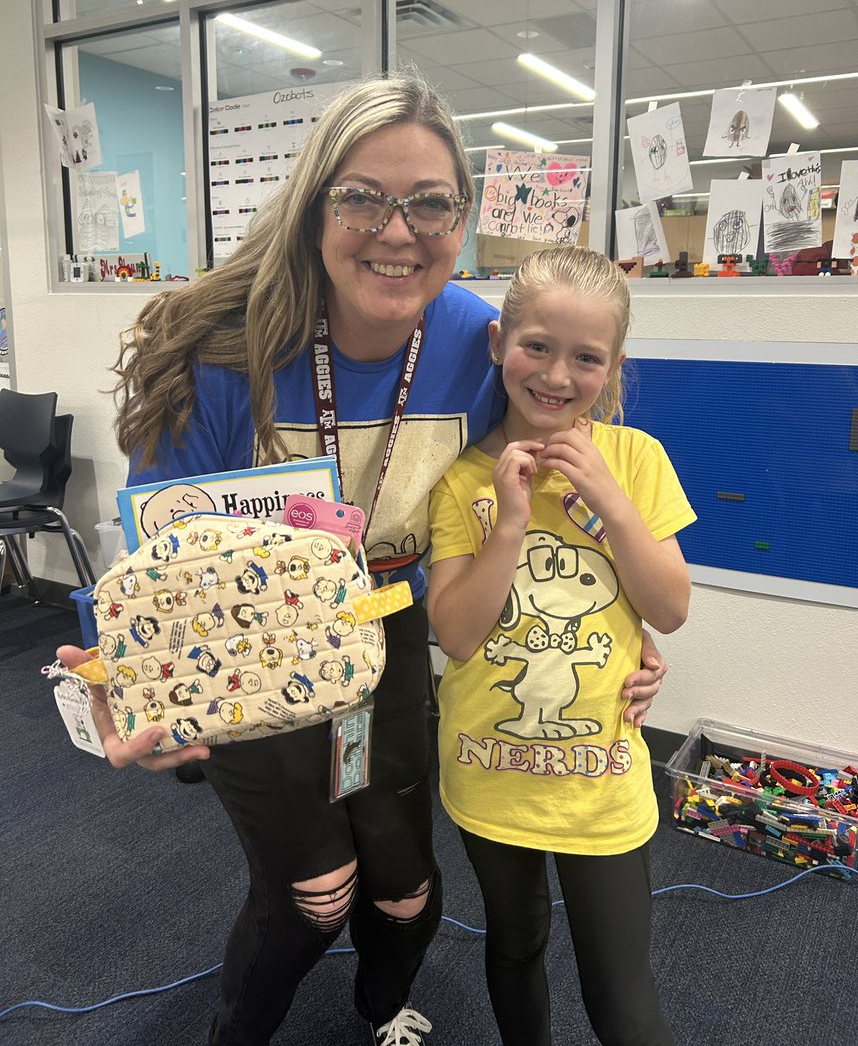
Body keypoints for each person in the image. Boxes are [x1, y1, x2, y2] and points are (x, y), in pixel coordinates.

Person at [57, 74, 669, 1046]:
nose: (398, 230)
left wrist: (618, 634)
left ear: (460, 219)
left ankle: (384, 1013)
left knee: (408, 897)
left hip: (381, 631)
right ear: (314, 206)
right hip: (246, 649)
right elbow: (157, 561)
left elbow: (568, 474)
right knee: (316, 898)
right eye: (363, 197)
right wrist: (125, 679)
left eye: (429, 203)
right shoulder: (223, 349)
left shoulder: (479, 341)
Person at [427, 246, 696, 1046]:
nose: (555, 374)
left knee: (620, 989)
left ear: (612, 370)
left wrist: (608, 497)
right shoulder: (462, 482)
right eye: (536, 345)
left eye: (586, 357)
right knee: (515, 947)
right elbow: (458, 634)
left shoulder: (636, 460)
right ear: (497, 346)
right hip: (487, 774)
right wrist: (508, 520)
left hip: (602, 781)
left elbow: (670, 608)